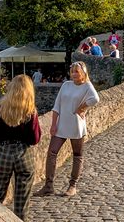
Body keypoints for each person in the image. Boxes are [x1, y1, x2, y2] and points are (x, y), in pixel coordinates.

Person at [36, 62, 100, 198]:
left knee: (77, 155)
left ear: (83, 73)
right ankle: (48, 186)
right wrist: (53, 124)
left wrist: (82, 107)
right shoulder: (66, 85)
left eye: (76, 71)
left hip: (76, 125)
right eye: (72, 72)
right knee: (52, 153)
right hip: (61, 124)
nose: (74, 74)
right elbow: (57, 105)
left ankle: (72, 185)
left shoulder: (87, 86)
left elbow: (95, 99)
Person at [0, 75, 41, 221]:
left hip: (4, 152)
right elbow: (34, 139)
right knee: (22, 200)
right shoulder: (30, 111)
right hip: (24, 154)